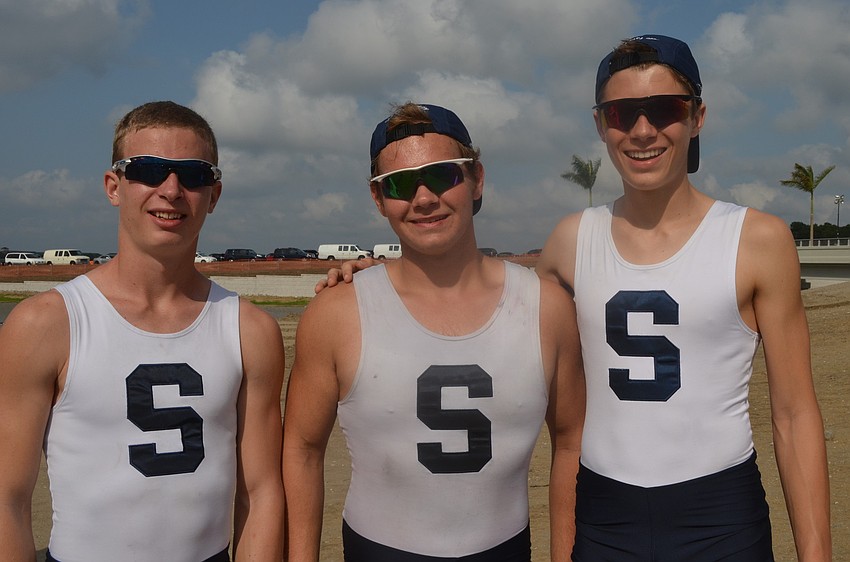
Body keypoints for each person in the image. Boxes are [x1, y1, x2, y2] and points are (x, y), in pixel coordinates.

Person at [318, 35, 832, 561]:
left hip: (720, 513)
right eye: (621, 113)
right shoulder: (571, 241)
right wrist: (377, 276)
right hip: (604, 516)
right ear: (600, 124)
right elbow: (489, 307)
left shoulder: (757, 239)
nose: (643, 130)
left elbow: (794, 416)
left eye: (664, 109)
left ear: (698, 116)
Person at [282, 102, 585, 561]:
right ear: (378, 198)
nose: (424, 198)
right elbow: (302, 450)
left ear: (476, 178)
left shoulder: (547, 308)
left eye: (443, 175)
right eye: (400, 184)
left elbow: (571, 441)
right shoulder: (337, 313)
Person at [0, 101, 286, 561]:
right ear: (114, 186)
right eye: (149, 170)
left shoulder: (250, 329)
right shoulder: (46, 324)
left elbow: (262, 493)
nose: (171, 189)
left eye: (192, 174)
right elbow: (7, 501)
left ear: (213, 194)